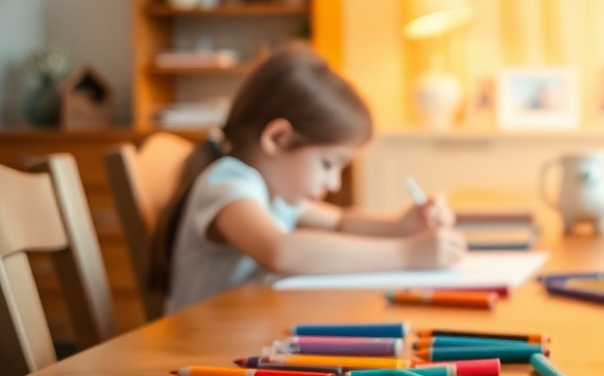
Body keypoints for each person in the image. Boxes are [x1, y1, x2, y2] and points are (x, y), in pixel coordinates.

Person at [151, 45, 465, 313]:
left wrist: (401, 226)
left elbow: (341, 221)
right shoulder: (228, 183)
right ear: (277, 138)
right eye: (328, 164)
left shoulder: (275, 193)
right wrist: (407, 254)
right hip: (196, 355)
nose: (334, 184)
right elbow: (281, 252)